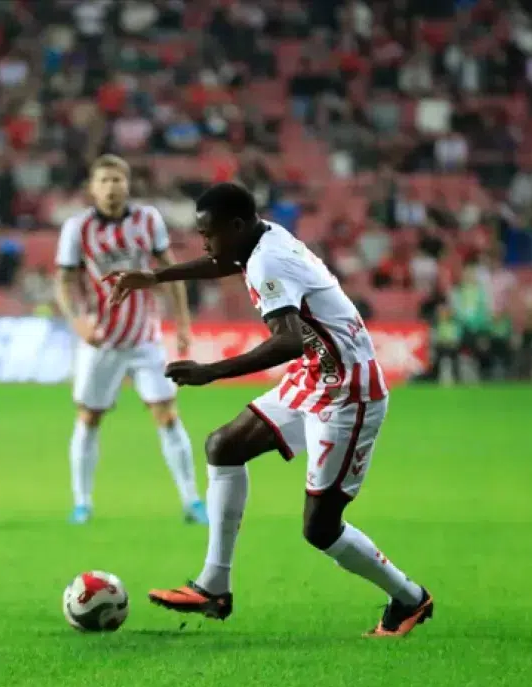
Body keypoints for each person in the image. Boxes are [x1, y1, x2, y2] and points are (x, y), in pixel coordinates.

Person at [108, 183, 433, 638]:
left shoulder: (268, 261)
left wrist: (210, 371)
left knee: (321, 529)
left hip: (347, 393)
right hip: (313, 376)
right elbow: (225, 262)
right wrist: (156, 277)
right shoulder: (260, 238)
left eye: (209, 233)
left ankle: (410, 598)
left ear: (237, 226)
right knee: (224, 446)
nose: (204, 242)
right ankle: (213, 586)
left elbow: (288, 341)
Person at [53, 155, 204, 525]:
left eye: (117, 180)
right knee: (89, 417)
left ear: (128, 184)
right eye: (104, 181)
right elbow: (64, 281)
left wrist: (183, 323)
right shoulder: (77, 228)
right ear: (92, 188)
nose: (111, 187)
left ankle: (192, 501)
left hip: (144, 338)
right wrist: (77, 322)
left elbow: (169, 271)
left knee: (167, 414)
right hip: (100, 341)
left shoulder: (148, 220)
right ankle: (82, 503)